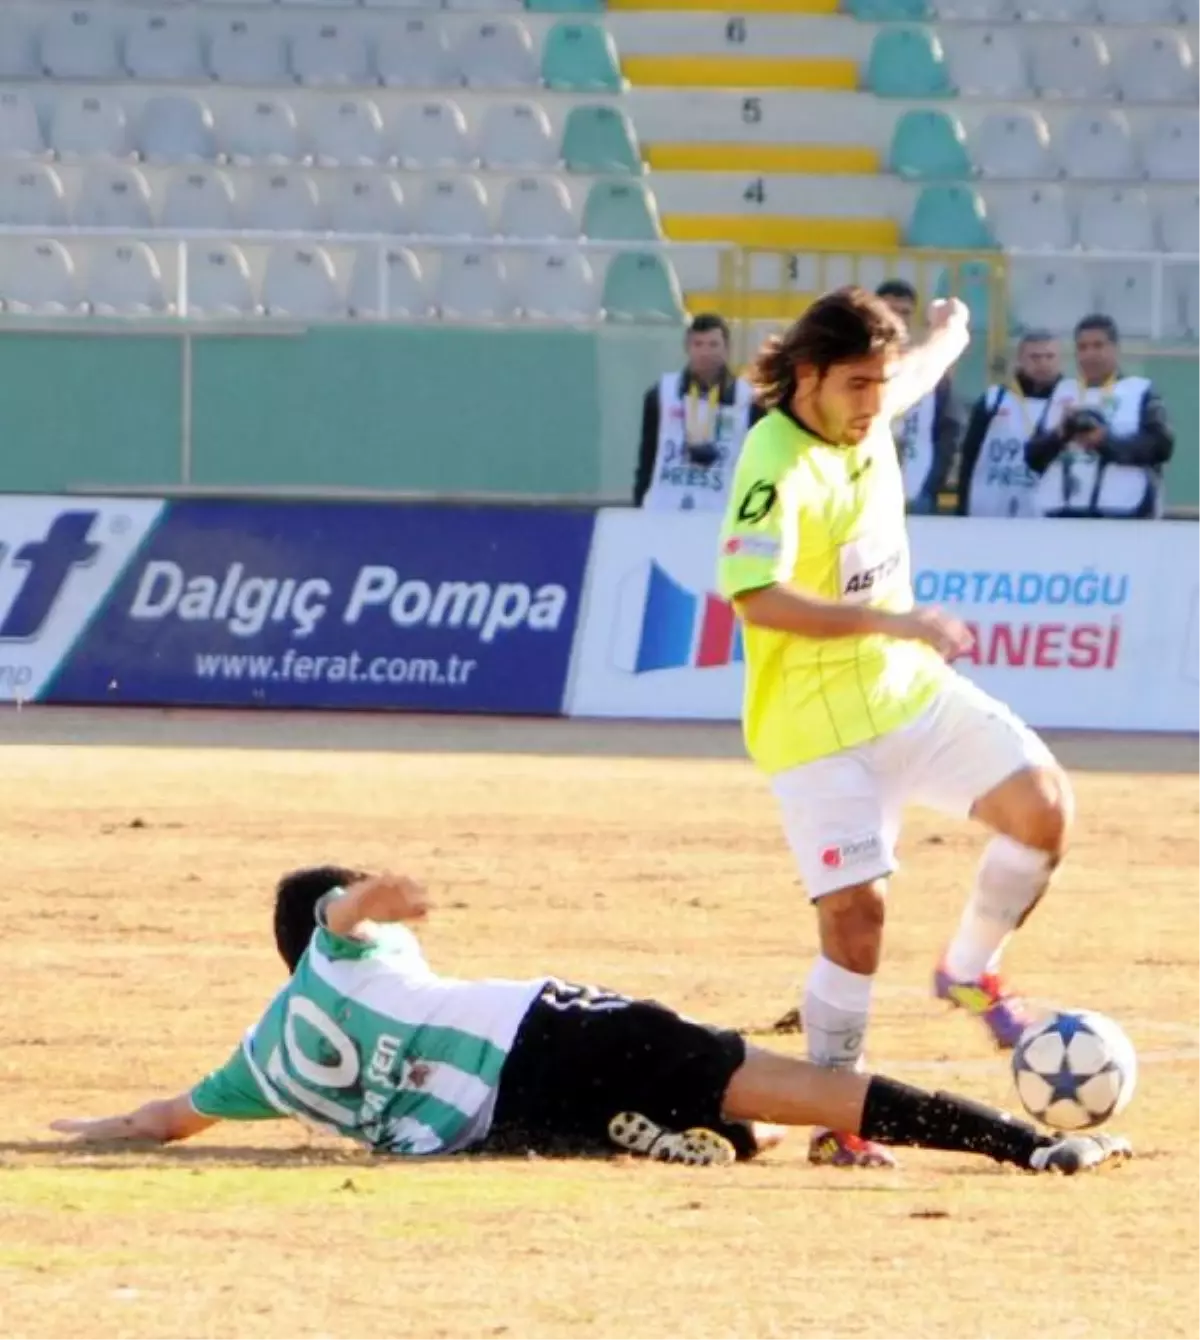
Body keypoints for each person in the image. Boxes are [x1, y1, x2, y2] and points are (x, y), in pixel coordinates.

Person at [50, 867, 1131, 1175]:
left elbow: (159, 1118)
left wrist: (69, 1131)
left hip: (502, 1125)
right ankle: (1028, 1141)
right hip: (549, 1029)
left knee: (735, 1137)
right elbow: (338, 909)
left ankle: (630, 1131)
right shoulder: (346, 946)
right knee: (800, 1089)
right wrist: (378, 897)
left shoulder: (262, 1063)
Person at [716, 287, 1077, 1169]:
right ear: (808, 378)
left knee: (1043, 809)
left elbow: (914, 374)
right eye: (857, 385)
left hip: (903, 692)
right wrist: (897, 622)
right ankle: (838, 1118)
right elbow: (756, 598)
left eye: (880, 383)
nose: (875, 403)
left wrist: (951, 334)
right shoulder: (775, 462)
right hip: (813, 727)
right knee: (857, 920)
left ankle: (966, 971)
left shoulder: (869, 403)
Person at [1025, 314, 1174, 519]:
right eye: (1083, 347)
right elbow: (1032, 456)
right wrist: (1059, 435)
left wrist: (1105, 441)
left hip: (1123, 514)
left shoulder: (1139, 390)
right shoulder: (1062, 391)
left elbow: (1161, 446)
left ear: (1115, 348)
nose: (1090, 355)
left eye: (1098, 346)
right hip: (1063, 514)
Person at [633, 313, 764, 513]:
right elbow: (647, 457)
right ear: (687, 348)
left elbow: (758, 466)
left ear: (727, 349)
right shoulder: (661, 393)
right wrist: (639, 501)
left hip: (721, 512)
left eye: (713, 344)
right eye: (698, 344)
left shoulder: (749, 400)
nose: (705, 352)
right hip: (665, 508)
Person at [957, 330, 1069, 518]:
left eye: (1049, 357)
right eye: (1034, 357)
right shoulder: (994, 399)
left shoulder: (1070, 401)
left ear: (1060, 360)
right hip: (989, 508)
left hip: (1045, 512)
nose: (1043, 364)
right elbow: (969, 456)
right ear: (1020, 360)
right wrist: (962, 505)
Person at [876, 280, 960, 515]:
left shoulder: (926, 366)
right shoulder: (854, 365)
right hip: (867, 490)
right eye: (890, 311)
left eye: (905, 312)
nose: (898, 318)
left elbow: (948, 431)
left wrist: (932, 483)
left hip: (915, 491)